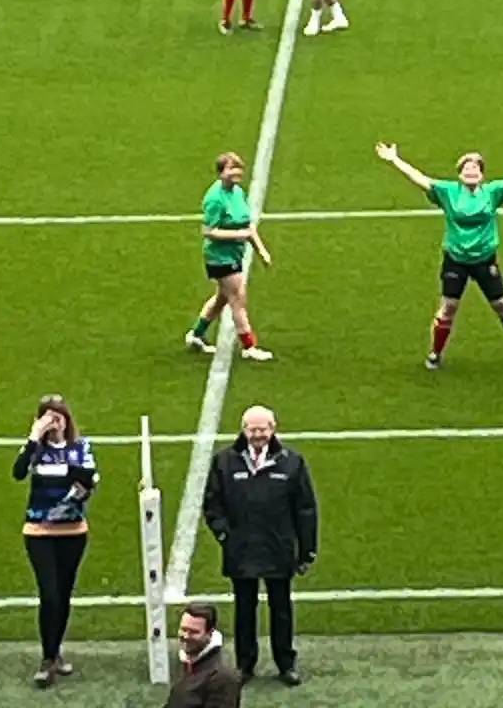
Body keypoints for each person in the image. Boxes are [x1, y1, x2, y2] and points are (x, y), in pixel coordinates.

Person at [374, 141, 503, 369]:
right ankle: (436, 353)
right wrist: (395, 159)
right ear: (459, 173)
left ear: (482, 174)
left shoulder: (492, 192)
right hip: (456, 260)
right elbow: (420, 179)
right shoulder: (448, 192)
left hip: (485, 260)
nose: (471, 171)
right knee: (448, 308)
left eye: (475, 168)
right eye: (467, 168)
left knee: (502, 305)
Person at [203, 406, 319, 687]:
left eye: (263, 429)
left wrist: (307, 550)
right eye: (252, 429)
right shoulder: (224, 462)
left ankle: (286, 664)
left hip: (278, 549)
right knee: (244, 610)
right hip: (241, 550)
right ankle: (245, 665)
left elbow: (305, 509)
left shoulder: (292, 463)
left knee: (282, 610)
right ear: (243, 429)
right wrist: (225, 536)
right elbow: (213, 503)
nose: (258, 434)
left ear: (273, 428)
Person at [10, 395, 99, 689]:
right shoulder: (36, 449)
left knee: (63, 595)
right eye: (48, 417)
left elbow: (88, 481)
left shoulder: (80, 447)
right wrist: (34, 437)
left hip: (73, 532)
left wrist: (71, 479)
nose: (54, 422)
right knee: (48, 594)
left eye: (58, 416)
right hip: (39, 532)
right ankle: (48, 658)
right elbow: (18, 472)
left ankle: (55, 651)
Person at [185, 152, 274, 362]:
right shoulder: (215, 199)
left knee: (222, 299)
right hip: (220, 257)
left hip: (234, 254)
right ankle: (249, 346)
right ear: (221, 172)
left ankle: (196, 334)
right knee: (237, 299)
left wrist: (260, 249)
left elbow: (247, 225)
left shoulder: (238, 192)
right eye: (231, 168)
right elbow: (209, 231)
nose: (236, 172)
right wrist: (238, 236)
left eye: (238, 168)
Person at [164, 602, 242, 708]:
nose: (186, 636)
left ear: (210, 633)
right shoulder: (190, 659)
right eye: (183, 629)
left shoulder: (221, 677)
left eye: (193, 632)